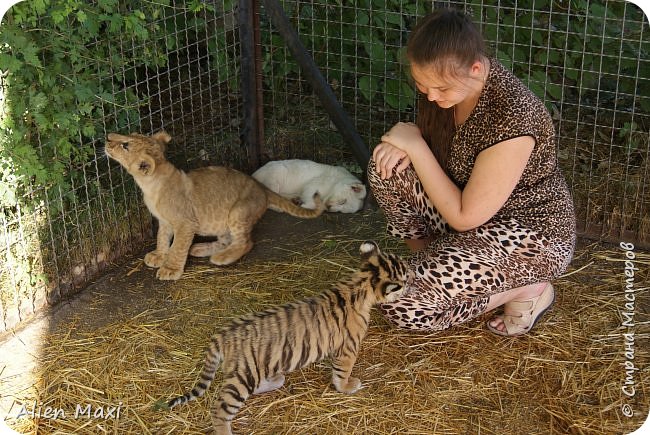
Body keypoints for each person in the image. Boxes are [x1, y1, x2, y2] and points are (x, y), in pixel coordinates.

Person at [368, 8, 576, 335]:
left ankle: (528, 288)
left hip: (528, 235)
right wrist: (409, 138)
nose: (432, 97)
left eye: (440, 90)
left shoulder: (512, 116)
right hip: (469, 213)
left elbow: (465, 217)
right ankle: (436, 267)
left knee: (400, 303)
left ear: (475, 68)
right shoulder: (448, 81)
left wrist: (415, 145)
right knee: (387, 168)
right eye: (423, 87)